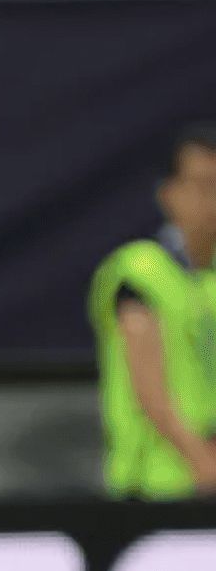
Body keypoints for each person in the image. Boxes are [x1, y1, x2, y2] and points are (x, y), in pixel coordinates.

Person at [89, 124, 216, 499]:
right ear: (169, 193)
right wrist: (203, 463)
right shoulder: (141, 271)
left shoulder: (209, 281)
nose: (213, 201)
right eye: (203, 185)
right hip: (152, 488)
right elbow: (150, 392)